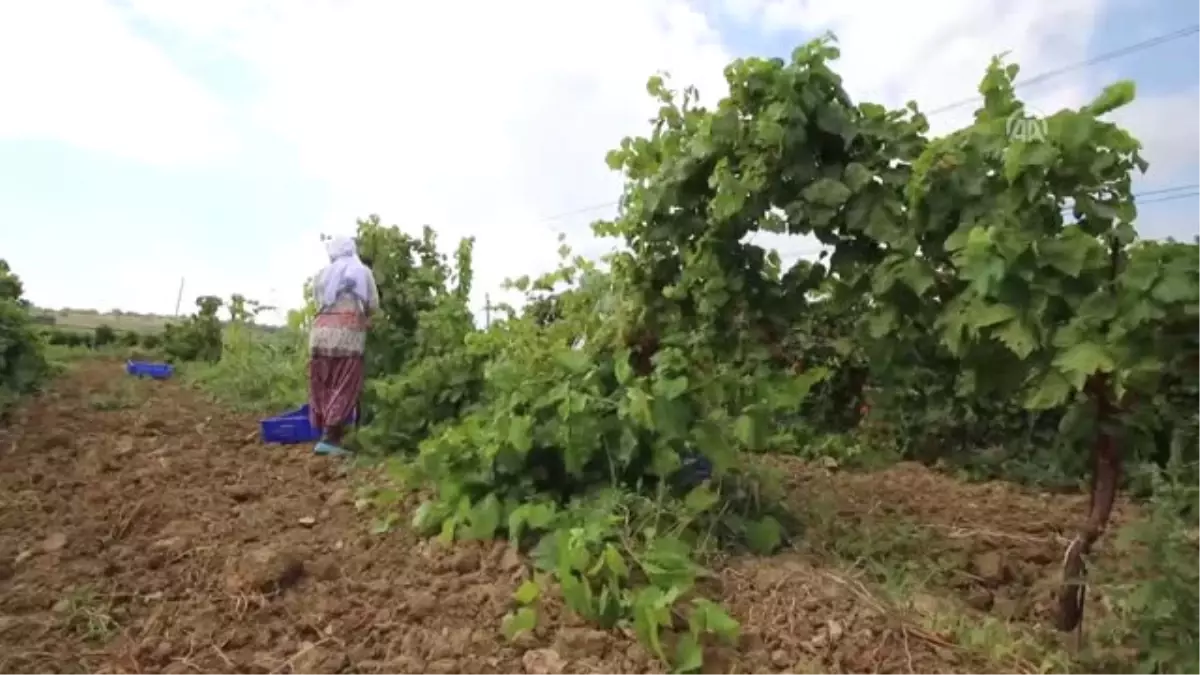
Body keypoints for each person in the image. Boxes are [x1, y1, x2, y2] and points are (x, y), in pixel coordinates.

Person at [308, 236, 379, 455]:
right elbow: (373, 304)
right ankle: (330, 439)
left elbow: (318, 301)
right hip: (347, 337)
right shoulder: (362, 272)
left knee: (323, 382)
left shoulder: (323, 274)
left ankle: (325, 432)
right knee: (345, 383)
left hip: (319, 334)